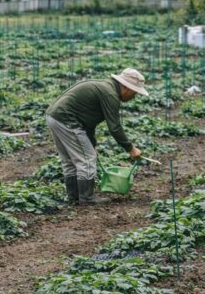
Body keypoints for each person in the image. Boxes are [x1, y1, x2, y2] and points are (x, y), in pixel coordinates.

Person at [46, 68, 147, 204]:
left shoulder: (105, 87)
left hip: (55, 116)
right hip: (67, 119)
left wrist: (91, 143)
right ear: (125, 87)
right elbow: (115, 127)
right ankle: (87, 198)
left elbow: (88, 120)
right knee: (87, 159)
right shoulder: (110, 95)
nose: (134, 97)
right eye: (134, 93)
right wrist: (131, 149)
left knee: (70, 160)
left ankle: (74, 197)